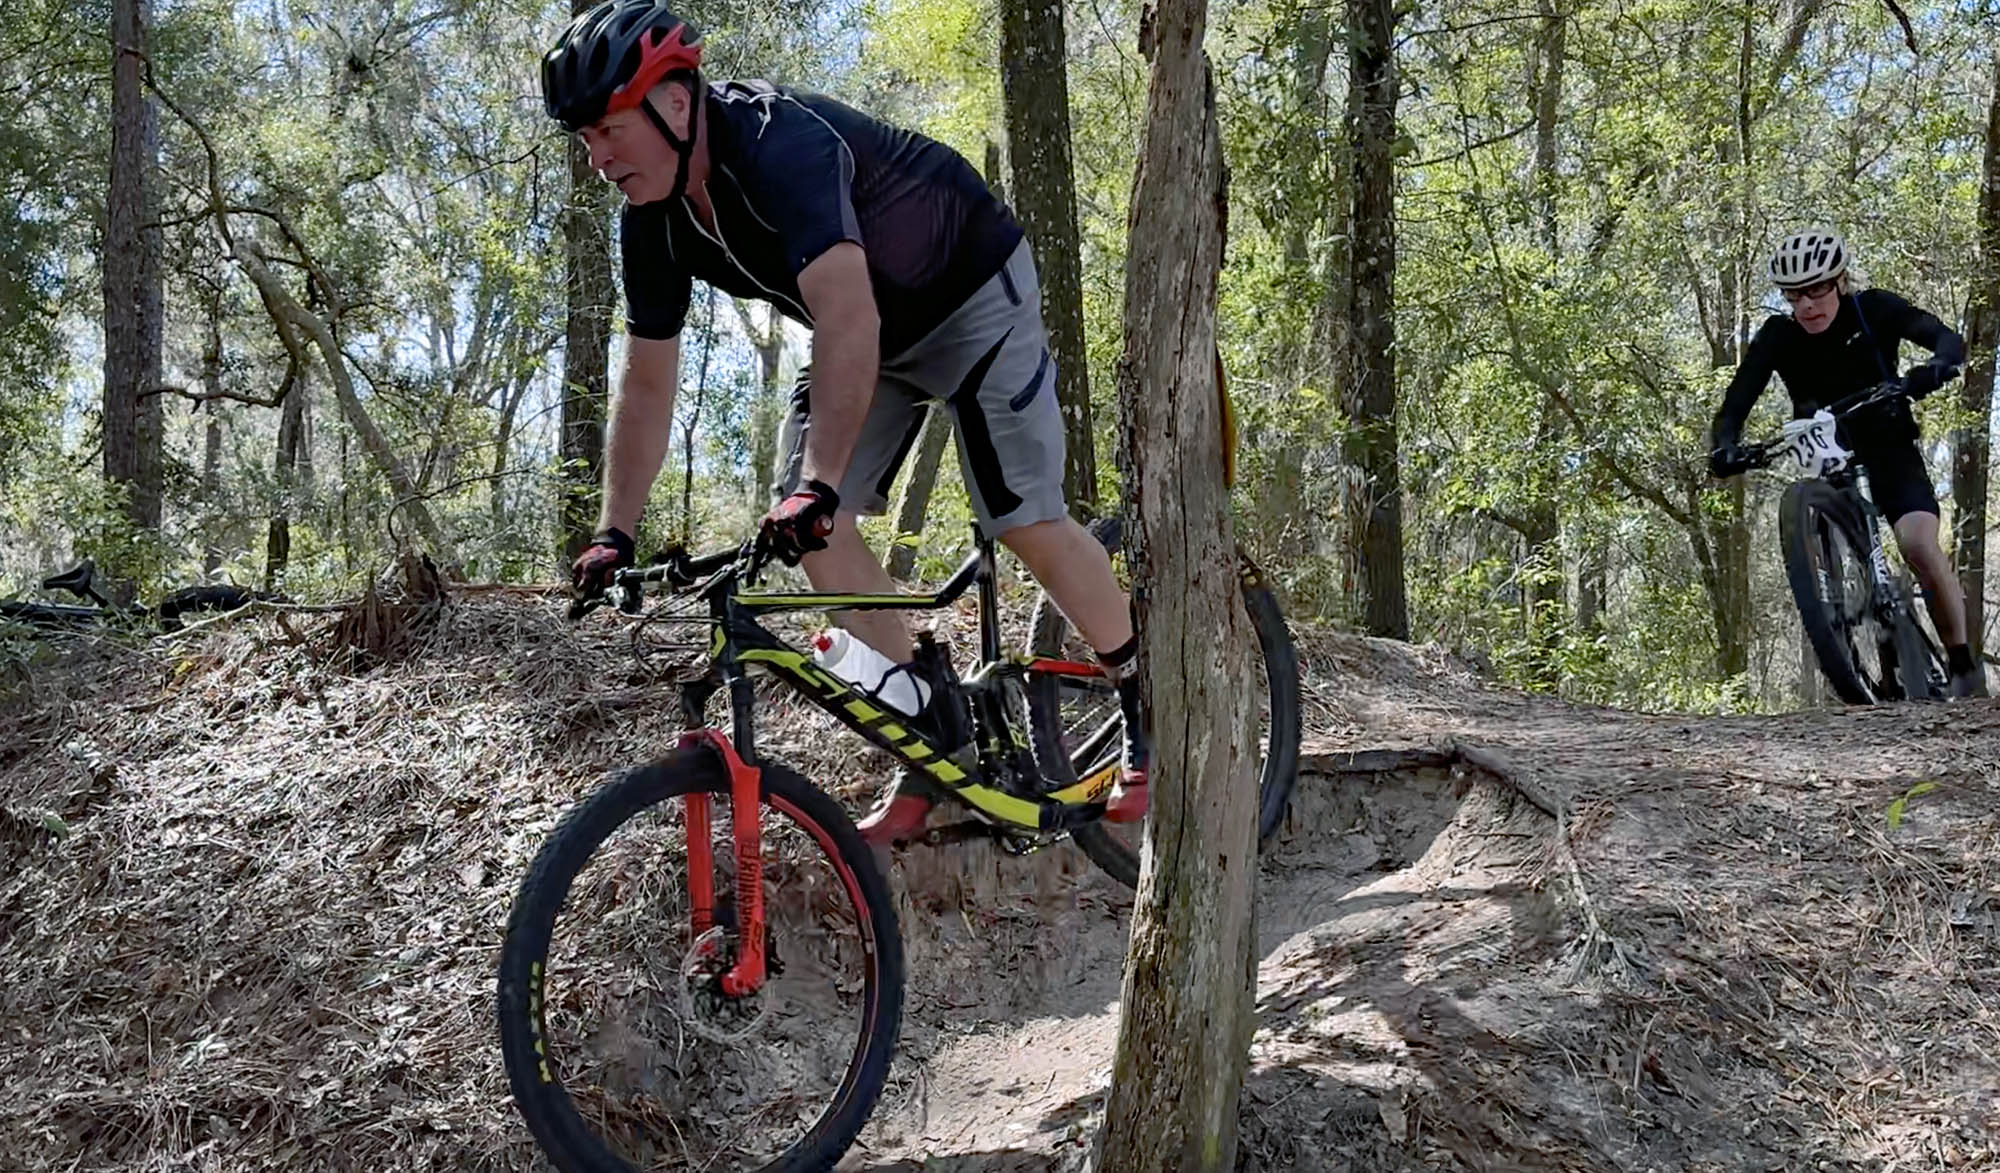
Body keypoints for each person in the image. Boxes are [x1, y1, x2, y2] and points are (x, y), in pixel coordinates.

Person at [541, 0, 1150, 838]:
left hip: (971, 292)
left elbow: (845, 313)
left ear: (676, 103)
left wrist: (823, 481)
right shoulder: (651, 224)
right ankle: (934, 737)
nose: (598, 157)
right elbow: (648, 381)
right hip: (870, 332)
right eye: (584, 140)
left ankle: (1142, 691)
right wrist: (615, 531)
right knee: (814, 532)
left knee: (1022, 518)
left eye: (609, 129)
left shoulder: (777, 143)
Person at [1708, 227, 1985, 699]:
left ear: (1838, 281)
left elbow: (1947, 340)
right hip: (1826, 454)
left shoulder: (1873, 308)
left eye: (1816, 290)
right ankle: (1846, 637)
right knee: (1814, 514)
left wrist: (1933, 369)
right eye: (1794, 295)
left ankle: (1961, 664)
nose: (1807, 305)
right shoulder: (1778, 335)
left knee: (1918, 544)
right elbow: (1737, 399)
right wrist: (1725, 445)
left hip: (1889, 447)